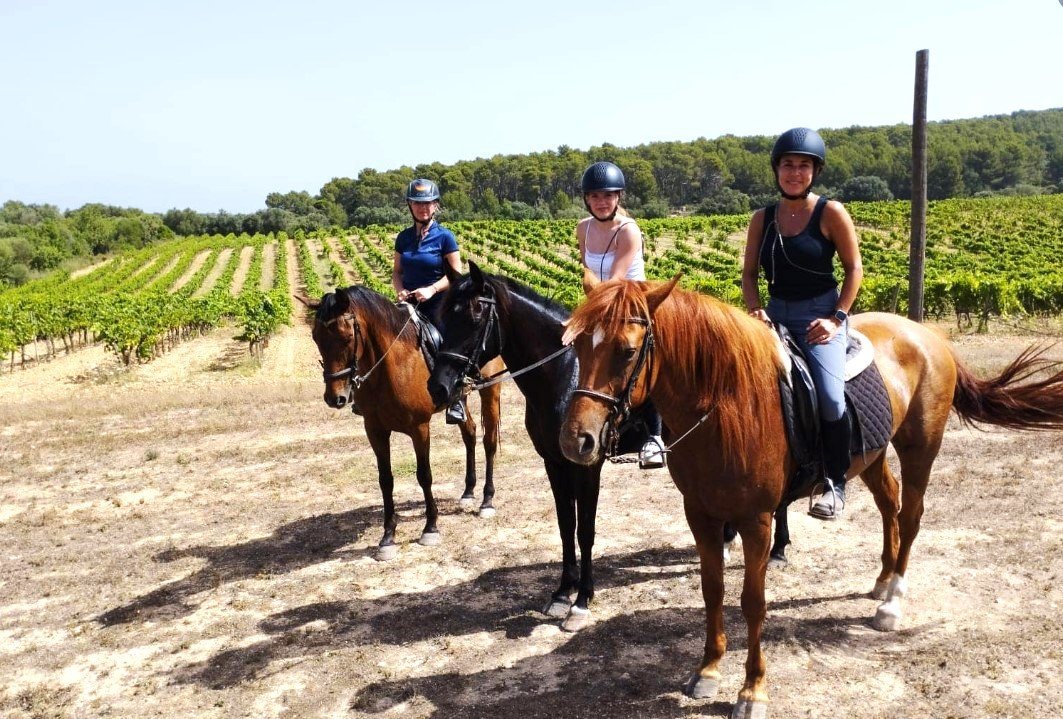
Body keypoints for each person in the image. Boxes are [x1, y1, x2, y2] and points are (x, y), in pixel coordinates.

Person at [741, 128, 863, 520]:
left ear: (815, 171)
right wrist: (756, 309)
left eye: (803, 166)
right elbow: (748, 275)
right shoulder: (763, 218)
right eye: (788, 165)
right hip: (775, 315)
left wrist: (836, 319)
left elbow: (853, 268)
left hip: (820, 317)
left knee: (829, 396)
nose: (795, 172)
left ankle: (834, 482)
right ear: (777, 170)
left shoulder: (831, 213)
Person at [576, 161, 665, 469]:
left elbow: (615, 280)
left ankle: (654, 435)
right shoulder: (582, 229)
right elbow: (587, 271)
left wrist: (581, 318)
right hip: (602, 301)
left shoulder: (629, 231)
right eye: (596, 196)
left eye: (609, 196)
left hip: (632, 300)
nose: (603, 201)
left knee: (643, 354)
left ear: (618, 198)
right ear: (587, 199)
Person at [392, 178, 466, 422]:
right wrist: (400, 290)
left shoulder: (445, 237)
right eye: (417, 203)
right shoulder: (403, 239)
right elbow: (397, 272)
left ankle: (457, 398)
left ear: (436, 206)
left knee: (449, 344)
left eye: (428, 203)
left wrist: (432, 289)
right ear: (410, 206)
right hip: (410, 303)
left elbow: (455, 274)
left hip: (439, 302)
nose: (423, 208)